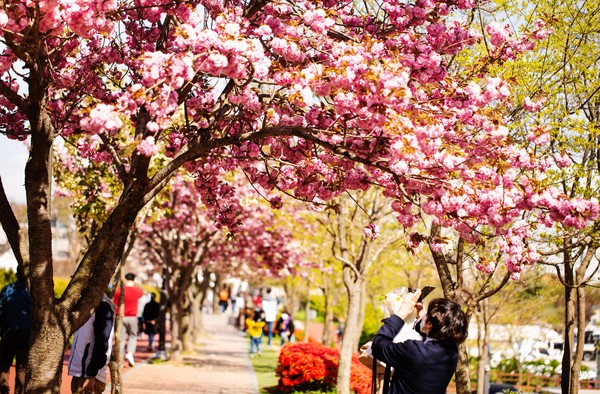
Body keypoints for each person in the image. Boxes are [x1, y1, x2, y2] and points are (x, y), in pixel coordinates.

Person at [371, 289, 468, 394]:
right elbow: (432, 335)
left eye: (427, 315)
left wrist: (402, 313)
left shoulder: (413, 350)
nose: (424, 315)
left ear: (429, 324)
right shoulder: (452, 352)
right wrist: (422, 314)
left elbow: (378, 345)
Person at [67, 294, 116, 394]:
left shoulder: (102, 307)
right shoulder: (86, 304)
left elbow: (102, 343)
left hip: (90, 375)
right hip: (80, 372)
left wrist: (91, 375)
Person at [0, 267, 31, 394]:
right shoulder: (33, 292)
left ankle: (3, 390)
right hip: (26, 336)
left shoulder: (7, 290)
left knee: (3, 366)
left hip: (8, 334)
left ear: (16, 274)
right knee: (22, 370)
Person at [113, 272, 144, 367]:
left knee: (120, 339)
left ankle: (120, 360)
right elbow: (141, 293)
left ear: (125, 279)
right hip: (132, 317)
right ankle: (130, 354)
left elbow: (114, 303)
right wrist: (135, 285)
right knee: (133, 336)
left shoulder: (119, 290)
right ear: (134, 280)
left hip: (120, 317)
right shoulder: (138, 290)